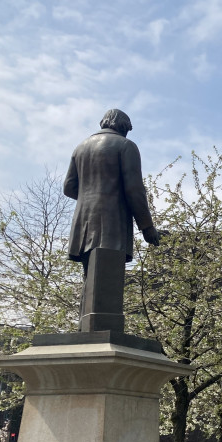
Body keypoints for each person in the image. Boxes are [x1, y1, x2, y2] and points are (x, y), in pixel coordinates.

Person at [64, 109, 160, 332]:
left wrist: (90, 194)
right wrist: (147, 227)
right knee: (107, 275)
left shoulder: (80, 147)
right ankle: (103, 328)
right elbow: (134, 189)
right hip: (110, 219)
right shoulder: (125, 146)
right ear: (124, 128)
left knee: (90, 278)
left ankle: (85, 326)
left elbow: (69, 187)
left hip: (83, 222)